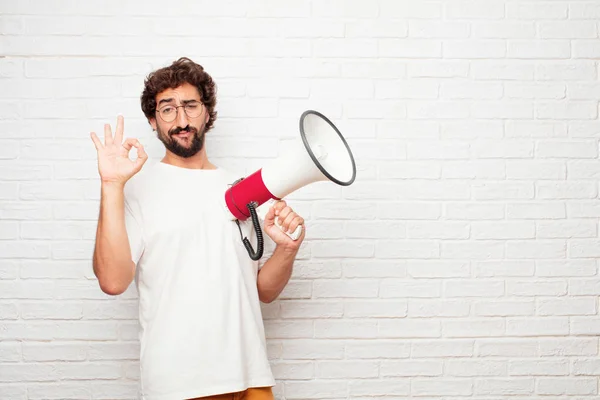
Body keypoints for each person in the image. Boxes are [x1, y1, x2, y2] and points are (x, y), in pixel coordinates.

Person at [90, 57, 305, 400]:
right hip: (182, 384)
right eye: (167, 109)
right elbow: (113, 281)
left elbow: (262, 290)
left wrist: (287, 250)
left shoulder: (238, 189)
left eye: (190, 105)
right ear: (153, 120)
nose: (181, 120)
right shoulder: (136, 189)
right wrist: (111, 185)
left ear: (207, 113)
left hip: (251, 377)